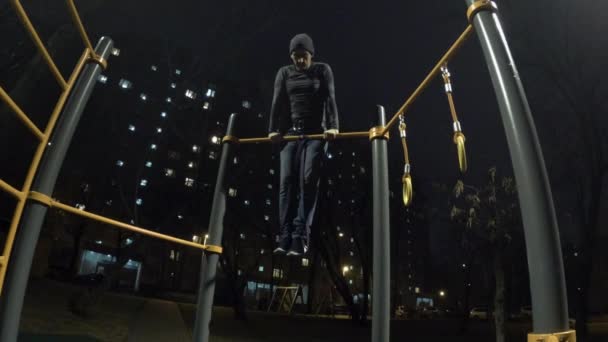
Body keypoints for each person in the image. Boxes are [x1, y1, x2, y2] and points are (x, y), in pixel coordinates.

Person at [268, 33, 339, 256]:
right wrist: (273, 129)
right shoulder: (284, 73)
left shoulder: (322, 70)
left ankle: (300, 236)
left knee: (307, 180)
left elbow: (330, 98)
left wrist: (333, 126)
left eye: (304, 56)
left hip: (316, 134)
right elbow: (277, 102)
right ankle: (284, 235)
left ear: (311, 55)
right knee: (286, 182)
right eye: (296, 56)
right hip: (291, 134)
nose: (300, 61)